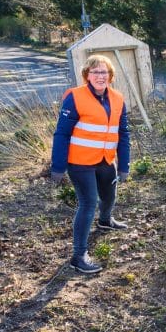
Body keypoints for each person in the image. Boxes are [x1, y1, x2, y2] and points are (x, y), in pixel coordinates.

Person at [50, 55, 131, 273]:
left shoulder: (117, 98)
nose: (100, 76)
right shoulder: (75, 97)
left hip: (106, 160)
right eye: (95, 72)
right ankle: (79, 256)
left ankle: (105, 221)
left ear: (110, 76)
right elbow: (62, 133)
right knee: (88, 203)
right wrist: (58, 167)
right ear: (87, 75)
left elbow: (122, 132)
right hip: (80, 162)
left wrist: (124, 164)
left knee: (110, 196)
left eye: (104, 72)